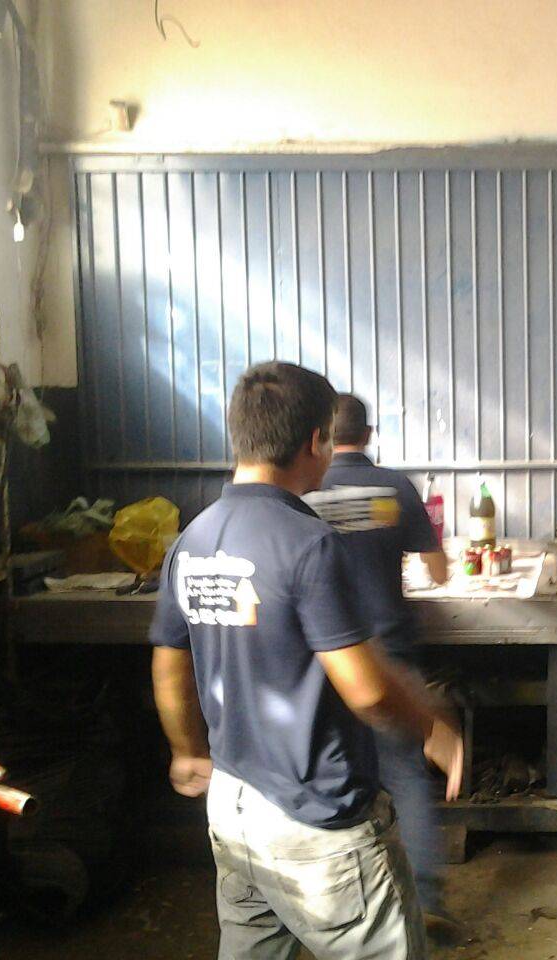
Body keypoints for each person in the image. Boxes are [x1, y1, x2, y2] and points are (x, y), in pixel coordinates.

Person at [149, 361, 464, 960]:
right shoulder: (308, 543)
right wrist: (431, 728)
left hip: (234, 807)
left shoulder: (192, 541)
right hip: (315, 818)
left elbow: (169, 668)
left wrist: (187, 750)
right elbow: (365, 689)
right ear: (315, 441)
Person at [306, 394, 457, 935]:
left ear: (324, 436)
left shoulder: (306, 489)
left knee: (331, 779)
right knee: (407, 777)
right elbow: (438, 573)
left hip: (325, 664)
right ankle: (427, 898)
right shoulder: (395, 487)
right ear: (367, 435)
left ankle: (342, 909)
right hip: (388, 656)